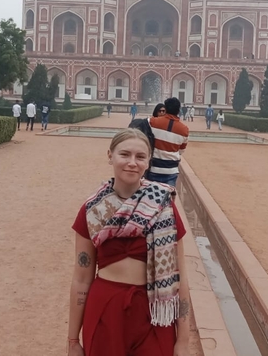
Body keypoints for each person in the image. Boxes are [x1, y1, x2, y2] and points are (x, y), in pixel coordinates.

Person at [67, 129, 192, 356]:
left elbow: (180, 276)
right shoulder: (93, 210)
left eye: (140, 157)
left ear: (148, 162)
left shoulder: (163, 207)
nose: (132, 163)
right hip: (106, 309)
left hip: (155, 311)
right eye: (125, 154)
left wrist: (183, 341)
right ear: (110, 156)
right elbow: (81, 279)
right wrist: (73, 340)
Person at [147, 97, 190, 187]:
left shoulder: (152, 122)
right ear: (178, 110)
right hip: (171, 170)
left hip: (153, 168)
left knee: (150, 196)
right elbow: (181, 151)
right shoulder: (184, 130)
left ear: (166, 109)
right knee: (168, 197)